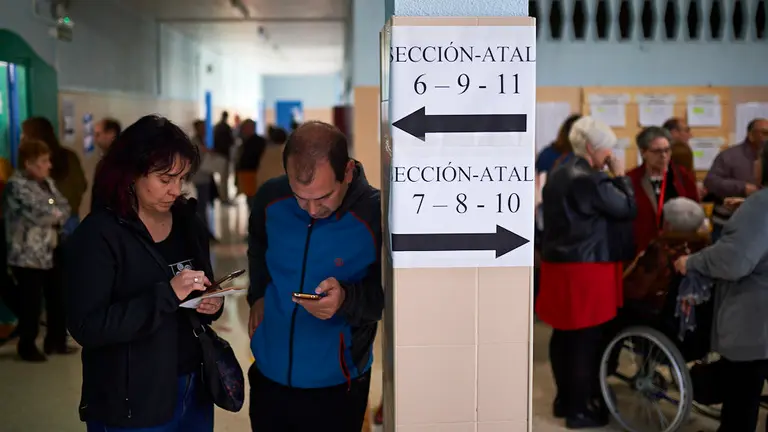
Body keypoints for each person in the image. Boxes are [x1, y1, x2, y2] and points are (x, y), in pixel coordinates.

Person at [63, 115, 224, 431]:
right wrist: (168, 293)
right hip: (132, 399)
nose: (175, 190)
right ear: (131, 174)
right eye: (165, 180)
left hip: (194, 385)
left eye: (181, 179)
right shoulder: (100, 235)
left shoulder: (187, 222)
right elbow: (87, 327)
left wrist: (211, 303)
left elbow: (201, 286)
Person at [247, 121, 383, 431]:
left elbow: (385, 299)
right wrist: (257, 295)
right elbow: (257, 247)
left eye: (322, 198)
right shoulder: (271, 198)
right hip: (270, 374)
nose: (310, 209)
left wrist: (346, 299)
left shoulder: (375, 215)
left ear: (347, 172)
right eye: (300, 196)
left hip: (339, 383)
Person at [536, 116, 637, 429]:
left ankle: (564, 399)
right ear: (593, 147)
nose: (612, 154)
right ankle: (579, 411)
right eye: (609, 148)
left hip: (557, 266)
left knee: (564, 334)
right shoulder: (592, 180)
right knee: (585, 340)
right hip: (586, 269)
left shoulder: (558, 173)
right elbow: (627, 208)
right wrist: (620, 177)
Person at [674, 140, 768, 432]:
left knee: (741, 404)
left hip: (755, 321)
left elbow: (733, 261)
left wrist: (691, 262)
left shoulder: (760, 205)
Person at [2, 138, 72, 362]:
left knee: (57, 296)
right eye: (43, 161)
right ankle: (27, 344)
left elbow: (65, 206)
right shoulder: (16, 185)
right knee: (30, 302)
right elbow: (37, 213)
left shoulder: (47, 183)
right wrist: (55, 214)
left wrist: (55, 214)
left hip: (50, 249)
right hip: (27, 254)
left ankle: (56, 340)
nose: (48, 165)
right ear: (29, 163)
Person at [627, 126, 699, 254]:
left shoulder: (681, 176)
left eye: (667, 150)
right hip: (644, 251)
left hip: (678, 249)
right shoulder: (632, 179)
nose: (664, 156)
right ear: (643, 152)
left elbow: (694, 208)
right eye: (657, 151)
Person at [704, 118, 768, 241]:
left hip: (759, 225)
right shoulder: (729, 156)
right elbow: (710, 182)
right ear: (751, 135)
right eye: (765, 133)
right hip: (726, 224)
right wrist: (742, 188)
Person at [22, 117, 87, 225]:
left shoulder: (30, 162)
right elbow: (81, 185)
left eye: (24, 134)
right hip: (69, 218)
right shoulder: (69, 156)